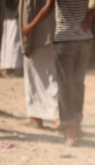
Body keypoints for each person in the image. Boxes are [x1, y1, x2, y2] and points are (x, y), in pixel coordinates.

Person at [22, 0, 95, 145]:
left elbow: (49, 7)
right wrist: (91, 14)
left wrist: (31, 27)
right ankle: (77, 126)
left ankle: (70, 132)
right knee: (78, 84)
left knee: (65, 85)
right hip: (84, 39)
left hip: (65, 39)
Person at [19, 0, 59, 128]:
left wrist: (26, 42)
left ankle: (44, 117)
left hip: (38, 37)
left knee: (37, 77)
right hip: (55, 35)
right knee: (51, 77)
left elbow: (29, 10)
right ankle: (49, 117)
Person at [2, 0, 24, 77]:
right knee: (10, 40)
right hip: (11, 14)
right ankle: (9, 68)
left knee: (14, 40)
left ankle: (15, 68)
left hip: (17, 13)